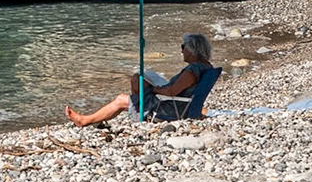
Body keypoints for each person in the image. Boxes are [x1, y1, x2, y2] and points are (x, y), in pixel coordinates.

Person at [67, 32, 219, 126]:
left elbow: (172, 91)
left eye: (183, 47)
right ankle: (136, 108)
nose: (181, 51)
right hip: (182, 106)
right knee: (137, 80)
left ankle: (85, 120)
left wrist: (155, 88)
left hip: (173, 110)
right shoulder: (206, 67)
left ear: (192, 49)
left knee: (123, 96)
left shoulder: (192, 71)